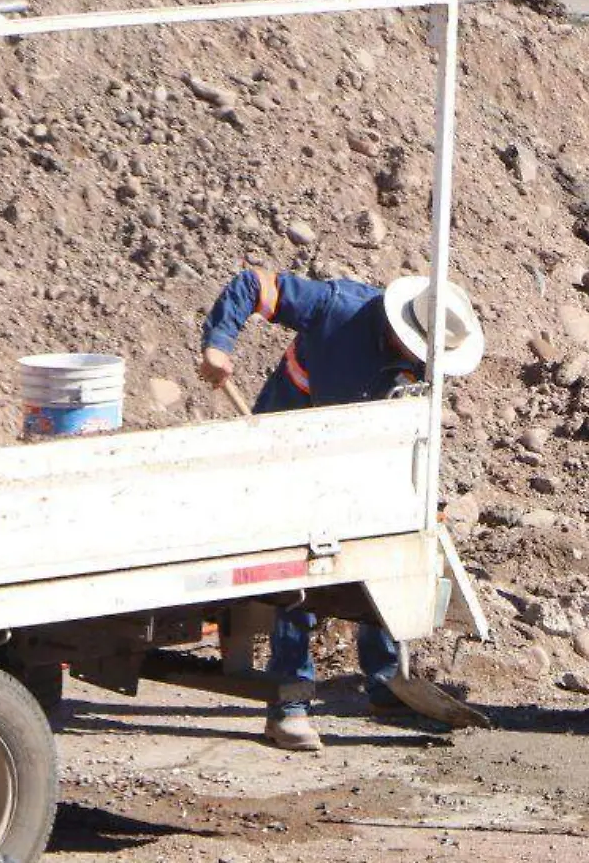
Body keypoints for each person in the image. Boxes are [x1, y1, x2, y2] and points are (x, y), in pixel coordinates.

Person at [198, 267, 484, 750]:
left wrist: (423, 498)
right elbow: (254, 285)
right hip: (289, 450)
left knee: (384, 558)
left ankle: (385, 680)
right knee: (299, 580)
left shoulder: (423, 364)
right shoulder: (337, 307)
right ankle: (288, 704)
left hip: (363, 461)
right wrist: (219, 343)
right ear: (398, 329)